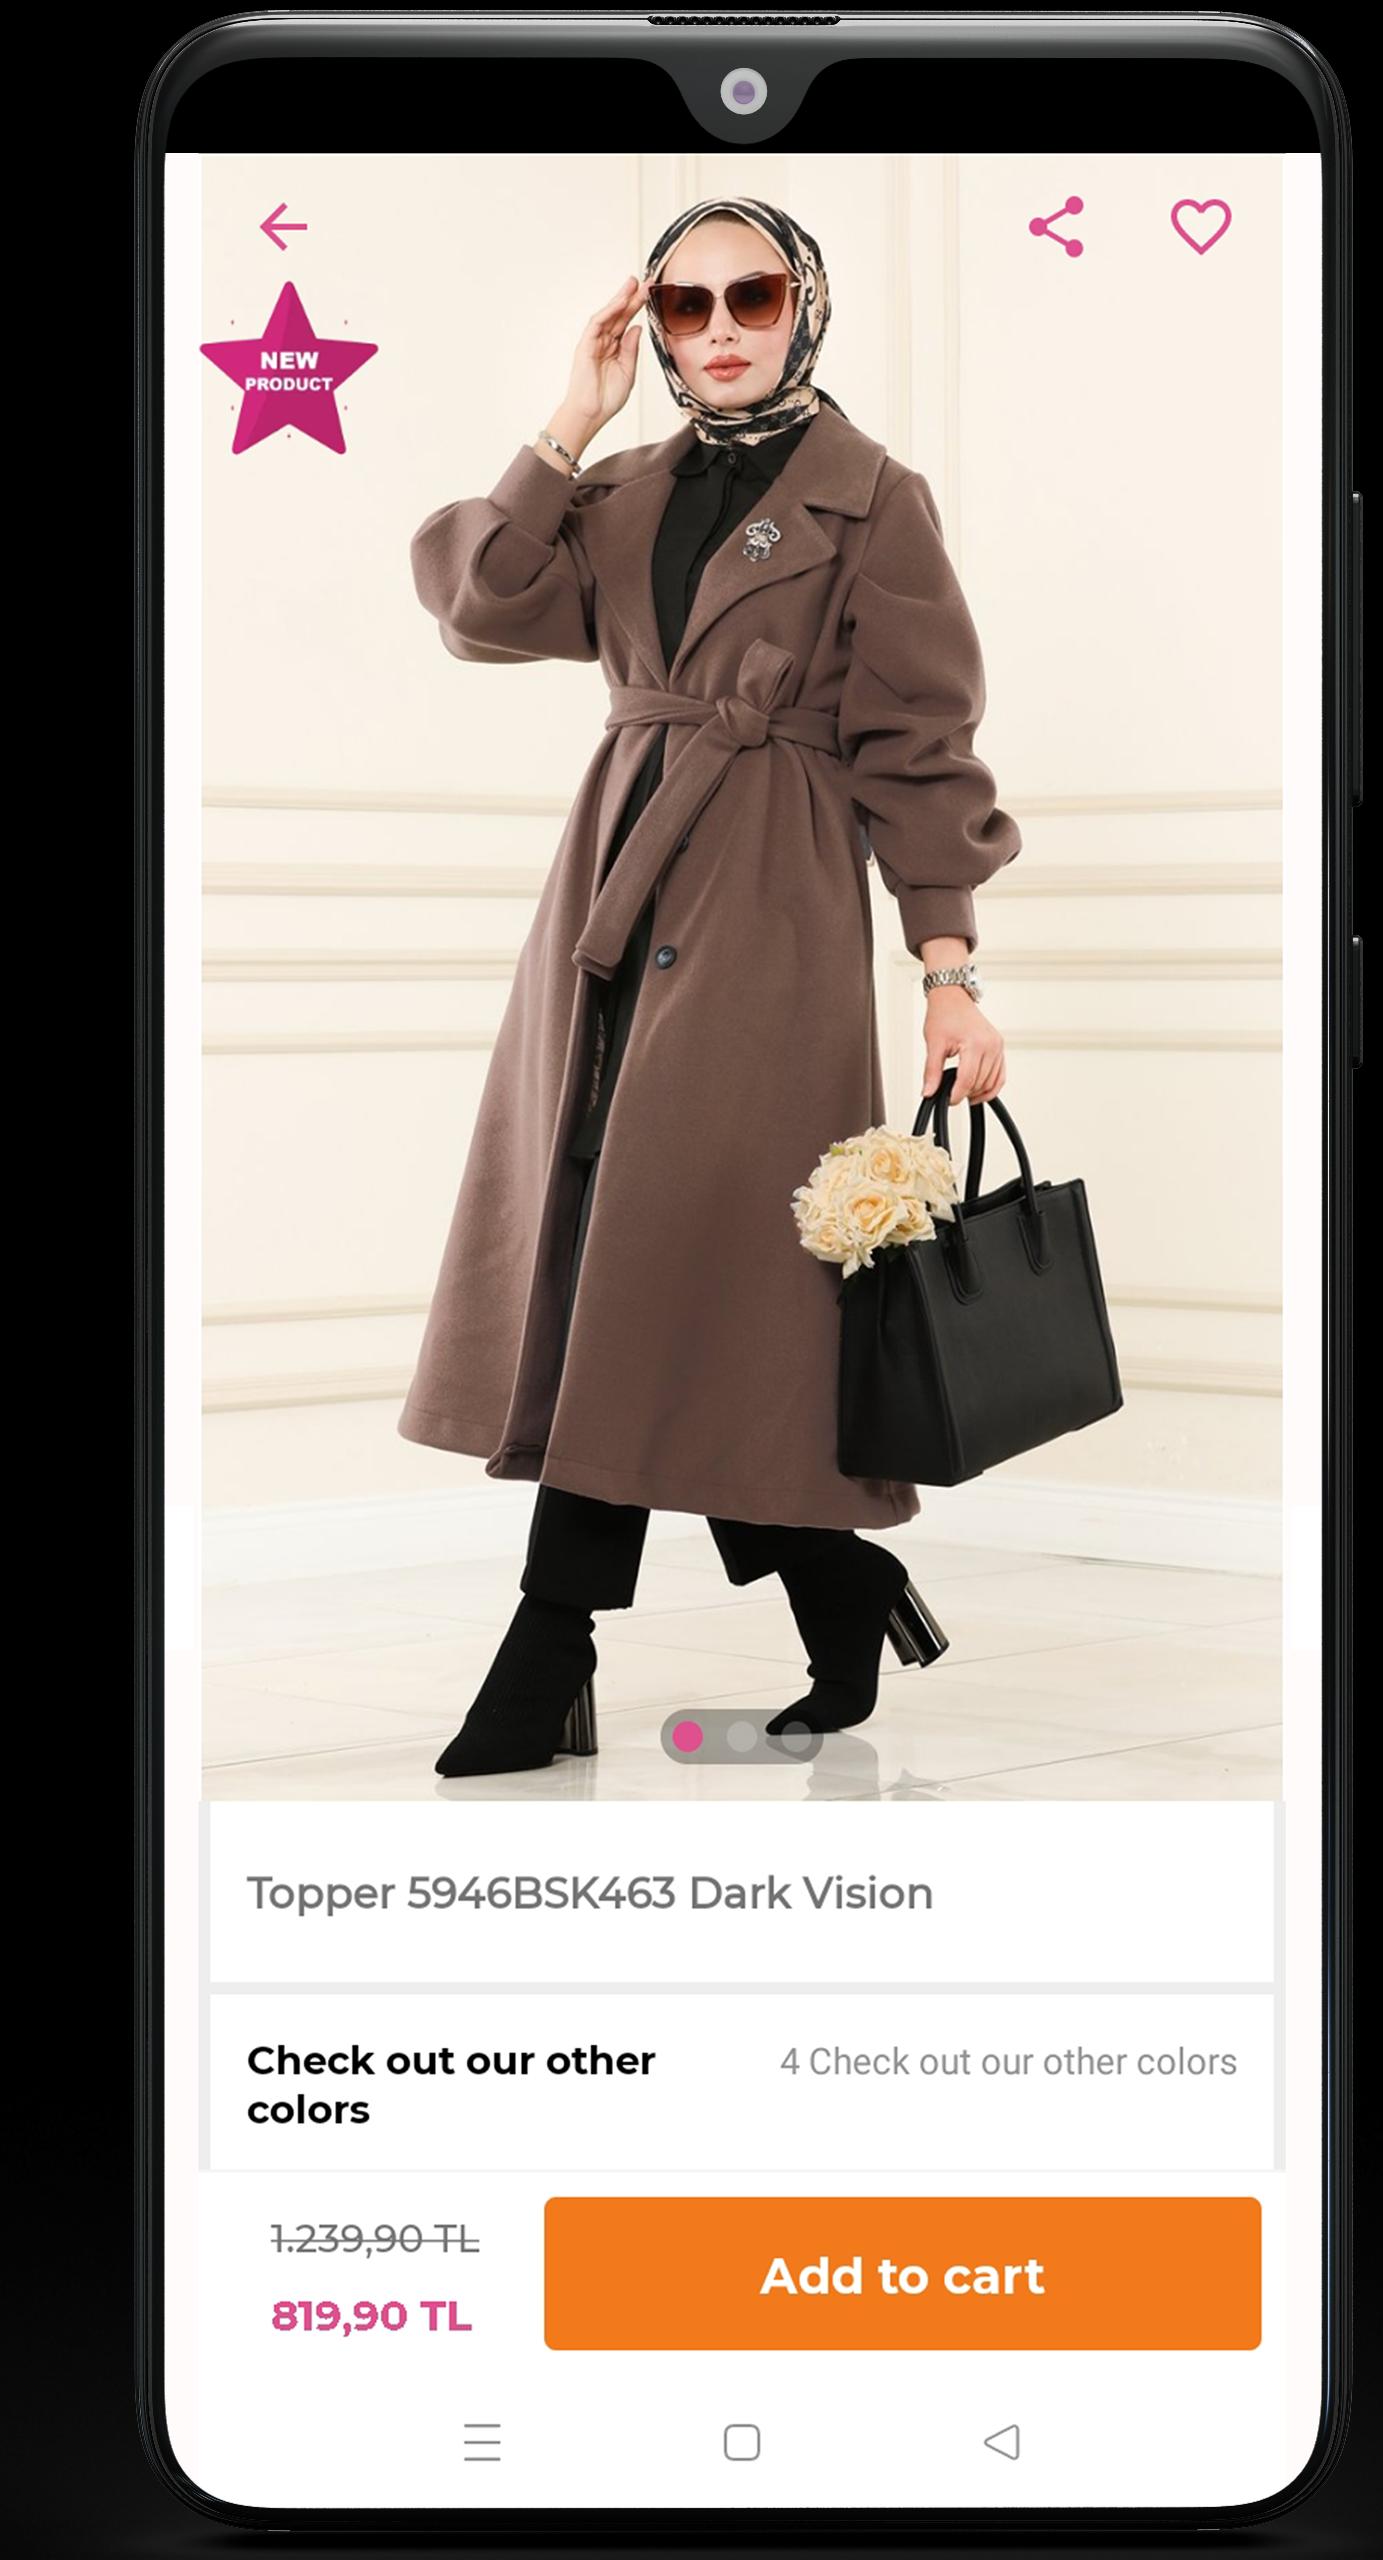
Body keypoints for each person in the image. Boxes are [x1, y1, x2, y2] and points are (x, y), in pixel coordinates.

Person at [400, 196, 1021, 1777]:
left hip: (770, 900)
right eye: (686, 306)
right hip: (610, 895)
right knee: (618, 1257)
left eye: (753, 295)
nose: (722, 328)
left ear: (807, 303)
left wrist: (947, 971)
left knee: (699, 1259)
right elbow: (478, 606)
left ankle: (550, 1643)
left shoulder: (874, 501)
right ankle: (833, 1583)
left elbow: (922, 745)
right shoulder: (619, 492)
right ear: (656, 328)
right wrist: (570, 417)